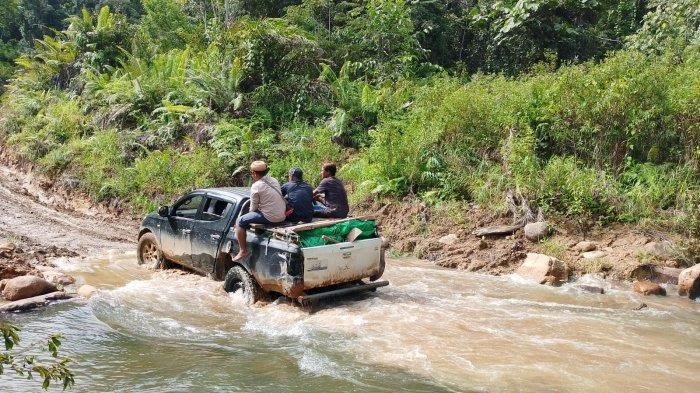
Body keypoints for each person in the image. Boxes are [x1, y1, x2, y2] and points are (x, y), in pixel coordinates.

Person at [232, 161, 286, 261]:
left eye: (252, 173)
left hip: (270, 217)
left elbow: (253, 208)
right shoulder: (274, 180)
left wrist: (246, 218)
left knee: (240, 221)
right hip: (282, 215)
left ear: (254, 173)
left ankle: (243, 250)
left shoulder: (256, 186)